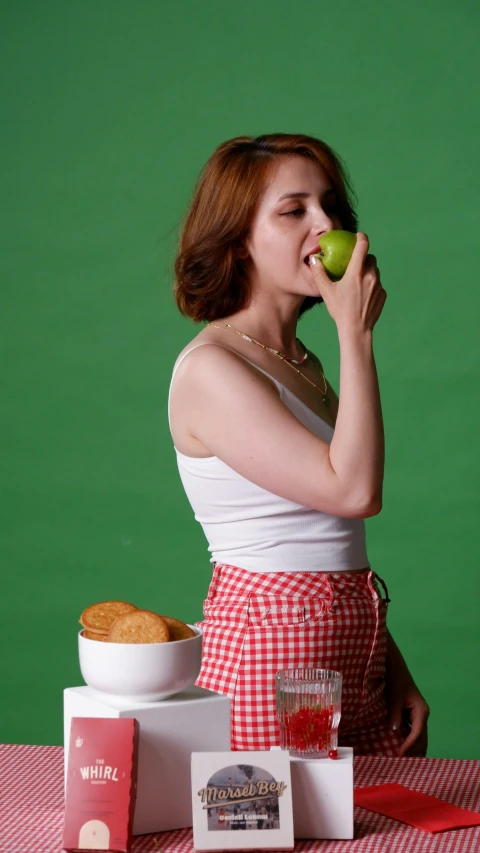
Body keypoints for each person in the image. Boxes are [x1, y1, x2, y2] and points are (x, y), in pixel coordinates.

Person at [168, 133, 429, 756]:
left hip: (350, 655)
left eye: (331, 207)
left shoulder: (303, 363)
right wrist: (356, 335)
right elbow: (354, 491)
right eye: (295, 211)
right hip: (269, 668)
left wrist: (393, 668)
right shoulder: (212, 368)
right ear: (238, 240)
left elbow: (322, 542)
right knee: (285, 839)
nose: (326, 225)